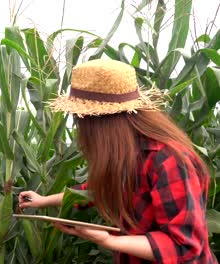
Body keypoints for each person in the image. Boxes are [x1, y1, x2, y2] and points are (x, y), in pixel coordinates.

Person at [18, 59, 217, 263]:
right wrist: (44, 201)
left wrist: (108, 241)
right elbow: (98, 190)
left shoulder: (169, 161)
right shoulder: (130, 154)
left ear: (100, 125)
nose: (80, 131)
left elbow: (183, 246)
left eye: (80, 121)